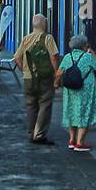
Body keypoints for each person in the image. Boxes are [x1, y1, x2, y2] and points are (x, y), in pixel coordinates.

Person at [13, 14, 60, 146]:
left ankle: (31, 131)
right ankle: (39, 134)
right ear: (44, 25)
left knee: (31, 106)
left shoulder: (26, 39)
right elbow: (54, 57)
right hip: (44, 78)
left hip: (28, 78)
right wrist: (56, 74)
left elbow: (16, 58)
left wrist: (24, 70)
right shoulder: (48, 38)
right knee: (45, 104)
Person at [59, 35, 96, 152]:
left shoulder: (67, 57)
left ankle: (72, 140)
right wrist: (93, 54)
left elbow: (59, 73)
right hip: (85, 90)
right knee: (84, 114)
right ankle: (80, 143)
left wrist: (56, 83)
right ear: (84, 46)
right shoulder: (88, 57)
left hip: (70, 91)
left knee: (71, 112)